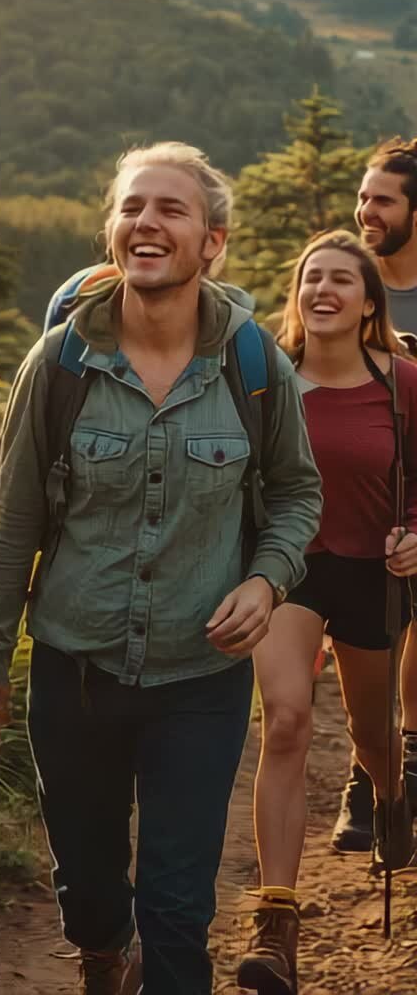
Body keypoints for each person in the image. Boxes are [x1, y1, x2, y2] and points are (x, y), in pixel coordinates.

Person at [0, 142, 321, 995]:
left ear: (214, 242)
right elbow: (12, 526)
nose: (148, 223)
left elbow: (295, 495)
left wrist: (265, 578)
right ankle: (103, 958)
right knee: (89, 891)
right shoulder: (57, 365)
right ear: (112, 232)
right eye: (134, 207)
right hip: (75, 670)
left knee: (177, 905)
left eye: (172, 209)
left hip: (200, 679)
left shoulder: (253, 367)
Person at [238, 231, 417, 995]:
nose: (323, 290)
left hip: (372, 574)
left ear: (369, 301)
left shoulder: (403, 382)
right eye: (312, 277)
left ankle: (390, 797)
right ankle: (275, 922)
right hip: (290, 571)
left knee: (376, 732)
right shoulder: (265, 382)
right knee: (285, 719)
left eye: (342, 279)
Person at [333, 138, 417, 852]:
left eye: (382, 200)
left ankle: (404, 760)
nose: (366, 211)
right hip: (366, 488)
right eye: (363, 198)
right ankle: (372, 771)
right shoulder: (351, 282)